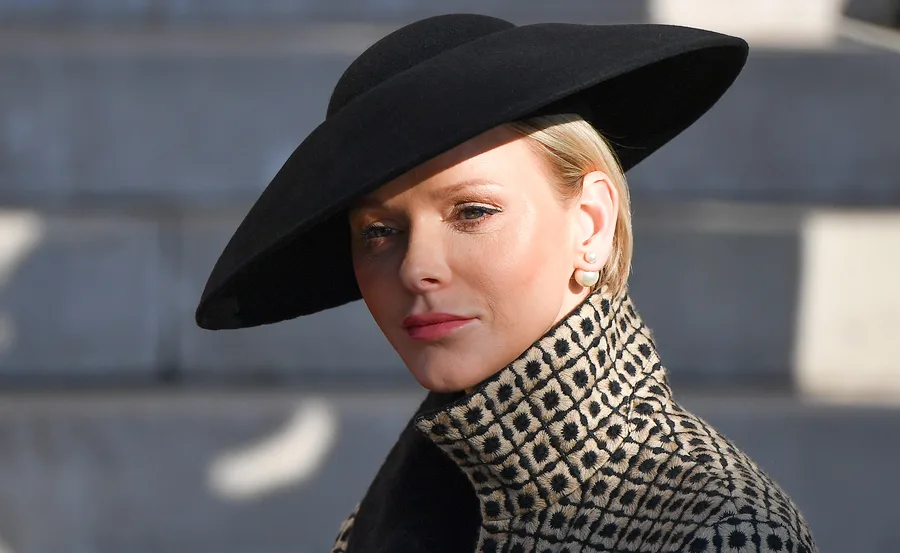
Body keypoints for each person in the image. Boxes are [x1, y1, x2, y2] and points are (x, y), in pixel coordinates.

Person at [195, 13, 818, 553]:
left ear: (592, 224)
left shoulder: (718, 528)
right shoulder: (399, 509)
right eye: (379, 231)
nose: (415, 268)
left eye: (472, 212)